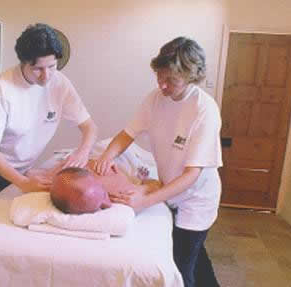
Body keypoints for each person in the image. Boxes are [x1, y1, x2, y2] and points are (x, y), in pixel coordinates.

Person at [93, 37, 222, 287]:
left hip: (195, 199)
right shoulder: (154, 99)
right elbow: (127, 134)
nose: (162, 86)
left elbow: (191, 175)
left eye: (171, 81)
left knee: (182, 267)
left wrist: (146, 200)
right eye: (159, 77)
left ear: (191, 76)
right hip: (169, 189)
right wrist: (105, 157)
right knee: (195, 259)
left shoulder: (204, 110)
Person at [0, 23, 97, 205]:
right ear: (23, 63)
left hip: (24, 164)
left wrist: (82, 153)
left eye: (52, 66)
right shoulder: (2, 88)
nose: (46, 76)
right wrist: (23, 182)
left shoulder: (60, 83)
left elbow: (89, 126)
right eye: (38, 69)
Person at [26, 159, 161, 214]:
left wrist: (142, 190)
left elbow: (156, 185)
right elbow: (30, 174)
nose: (108, 205)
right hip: (71, 161)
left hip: (119, 158)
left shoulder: (118, 188)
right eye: (99, 207)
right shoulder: (57, 183)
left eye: (103, 195)